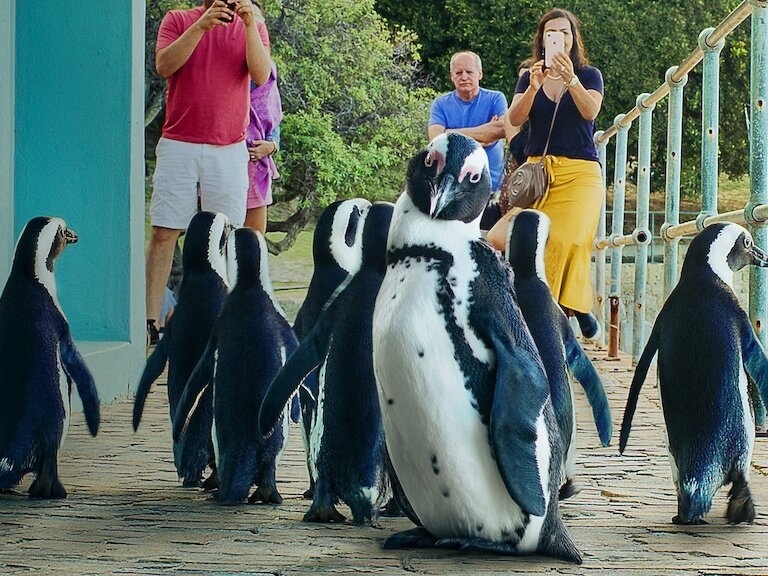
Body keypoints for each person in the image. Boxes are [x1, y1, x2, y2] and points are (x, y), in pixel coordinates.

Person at [146, 0, 271, 345]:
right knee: (163, 232)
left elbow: (260, 76)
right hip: (179, 143)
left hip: (229, 148)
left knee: (228, 235)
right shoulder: (178, 19)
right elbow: (164, 65)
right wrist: (201, 25)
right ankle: (150, 322)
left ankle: (224, 319)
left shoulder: (253, 27)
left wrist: (247, 26)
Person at [487, 8, 604, 340]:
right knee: (499, 239)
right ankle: (567, 310)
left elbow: (590, 111)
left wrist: (571, 80)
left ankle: (550, 318)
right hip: (539, 175)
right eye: (551, 33)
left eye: (564, 33)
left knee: (566, 239)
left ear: (573, 39)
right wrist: (534, 87)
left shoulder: (589, 75)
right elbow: (514, 118)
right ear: (542, 39)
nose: (558, 39)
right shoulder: (529, 76)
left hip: (580, 174)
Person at [428, 51, 507, 229]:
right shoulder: (441, 104)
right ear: (451, 76)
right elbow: (436, 139)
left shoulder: (496, 98)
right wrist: (484, 135)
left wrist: (451, 134)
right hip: (452, 192)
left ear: (480, 74)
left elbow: (502, 129)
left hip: (489, 190)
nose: (464, 77)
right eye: (458, 72)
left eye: (469, 72)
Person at [244, 2, 282, 233]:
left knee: (254, 239)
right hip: (228, 154)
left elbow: (274, 116)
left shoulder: (269, 72)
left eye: (259, 21)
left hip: (258, 160)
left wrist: (271, 145)